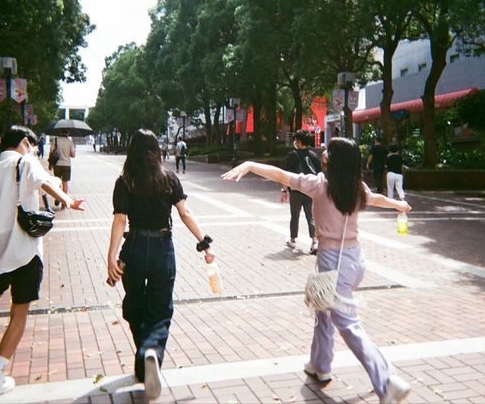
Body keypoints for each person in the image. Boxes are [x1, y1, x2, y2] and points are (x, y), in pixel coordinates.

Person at [222, 137, 412, 404]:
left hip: (332, 261)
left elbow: (282, 175)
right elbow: (376, 198)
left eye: (328, 151)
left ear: (332, 160)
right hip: (354, 260)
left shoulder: (320, 186)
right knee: (323, 312)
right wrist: (397, 205)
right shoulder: (357, 187)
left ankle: (386, 379)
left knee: (348, 325)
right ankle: (320, 364)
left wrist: (251, 164)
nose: (323, 153)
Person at [0, 125, 84, 401]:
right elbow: (44, 182)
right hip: (24, 251)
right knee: (19, 311)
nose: (34, 150)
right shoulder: (26, 162)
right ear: (24, 142)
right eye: (32, 145)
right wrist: (68, 201)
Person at [106, 129, 214, 399]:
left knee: (134, 305)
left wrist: (111, 255)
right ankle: (151, 350)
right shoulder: (168, 178)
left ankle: (144, 356)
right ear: (156, 151)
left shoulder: (125, 181)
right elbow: (185, 212)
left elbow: (120, 220)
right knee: (160, 306)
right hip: (162, 248)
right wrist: (204, 243)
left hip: (133, 248)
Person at [282, 129, 320, 254]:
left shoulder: (293, 155)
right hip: (310, 191)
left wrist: (284, 190)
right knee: (311, 216)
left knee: (295, 215)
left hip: (296, 190)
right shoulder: (313, 155)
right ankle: (314, 242)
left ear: (298, 142)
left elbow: (286, 175)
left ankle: (292, 239)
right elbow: (319, 174)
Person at [52, 131, 76, 206]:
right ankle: (64, 202)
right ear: (67, 133)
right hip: (66, 165)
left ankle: (57, 198)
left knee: (57, 183)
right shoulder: (70, 142)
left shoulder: (55, 140)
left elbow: (51, 151)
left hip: (57, 164)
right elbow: (73, 155)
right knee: (65, 183)